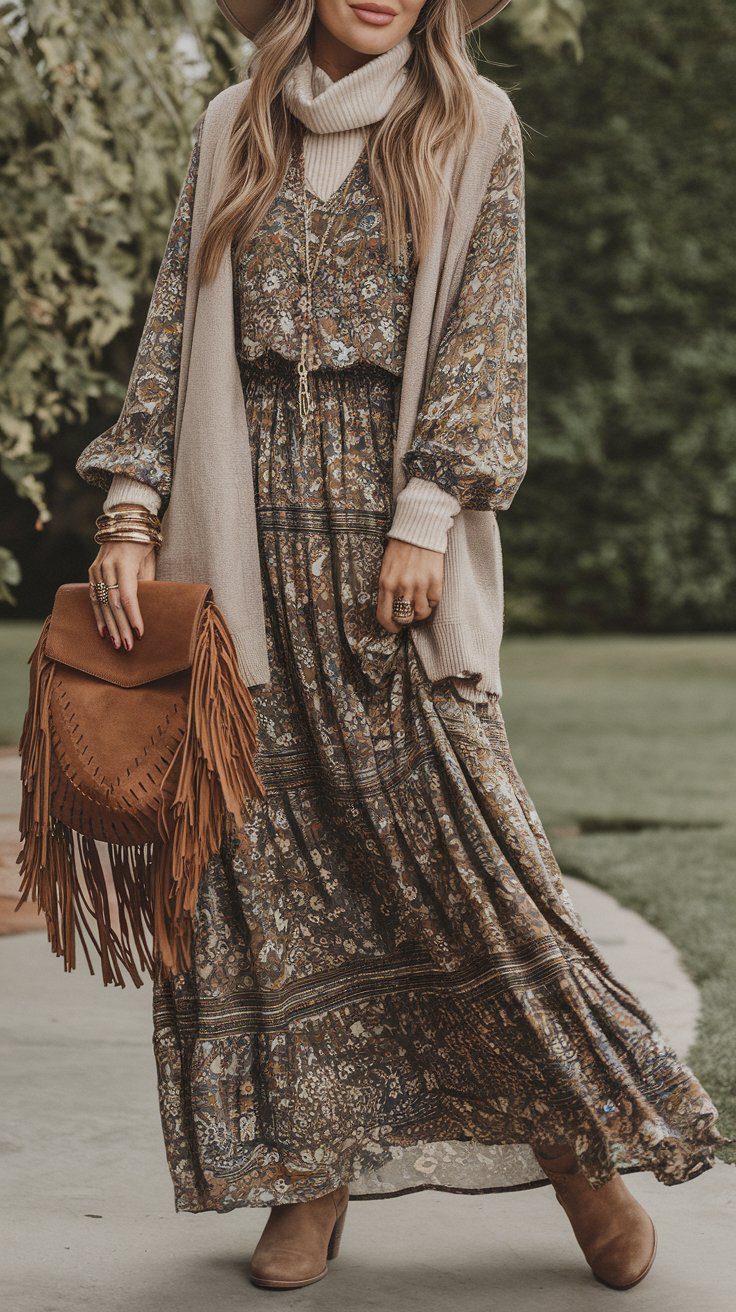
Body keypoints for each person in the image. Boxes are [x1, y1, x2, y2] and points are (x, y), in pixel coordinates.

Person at [75, 0, 724, 1293]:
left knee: (466, 871)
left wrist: (429, 506)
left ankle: (580, 1156)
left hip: (392, 559)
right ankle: (308, 1189)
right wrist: (132, 512)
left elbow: (487, 335)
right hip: (242, 553)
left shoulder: (475, 124)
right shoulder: (232, 127)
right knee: (264, 880)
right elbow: (170, 336)